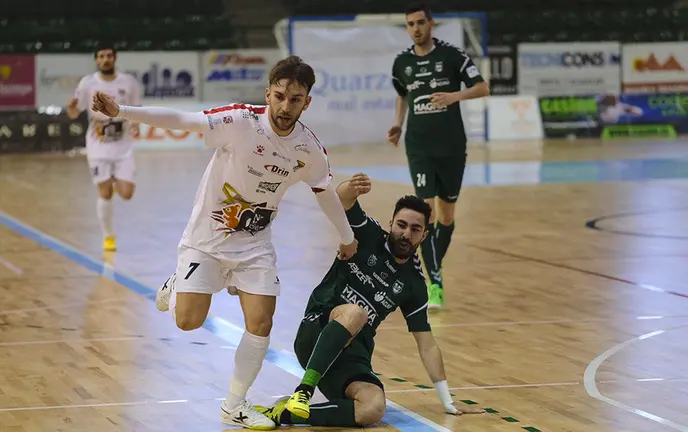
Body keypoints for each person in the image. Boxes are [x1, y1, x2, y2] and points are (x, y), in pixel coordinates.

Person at [91, 55, 359, 430]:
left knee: (261, 322)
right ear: (268, 93)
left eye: (295, 99)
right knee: (187, 321)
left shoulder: (309, 149)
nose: (285, 106)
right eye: (279, 96)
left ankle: (234, 404)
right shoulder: (240, 121)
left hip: (255, 245)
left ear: (306, 102)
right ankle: (179, 276)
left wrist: (347, 237)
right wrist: (123, 110)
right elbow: (182, 120)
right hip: (207, 240)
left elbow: (324, 191)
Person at [253, 172, 484, 427]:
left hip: (353, 354)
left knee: (373, 408)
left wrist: (446, 400)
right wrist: (351, 187)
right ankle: (303, 392)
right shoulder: (369, 234)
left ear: (424, 236)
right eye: (401, 225)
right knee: (357, 313)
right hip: (317, 330)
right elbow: (340, 200)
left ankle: (286, 412)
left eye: (415, 229)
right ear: (392, 223)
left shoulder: (414, 284)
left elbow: (427, 344)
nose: (406, 233)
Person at [388, 2, 490, 309]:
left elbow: (483, 87)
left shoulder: (452, 56)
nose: (416, 28)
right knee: (426, 214)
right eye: (410, 24)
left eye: (420, 22)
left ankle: (431, 267)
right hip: (419, 147)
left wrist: (454, 95)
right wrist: (397, 125)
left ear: (431, 23)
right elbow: (403, 95)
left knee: (447, 217)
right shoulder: (402, 62)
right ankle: (435, 284)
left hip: (451, 147)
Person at [66, 45, 141, 252]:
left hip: (123, 145)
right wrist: (71, 107)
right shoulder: (88, 83)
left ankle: (116, 178)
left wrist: (135, 123)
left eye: (109, 56)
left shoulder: (128, 82)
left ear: (115, 58)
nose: (105, 59)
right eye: (101, 56)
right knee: (105, 193)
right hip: (98, 145)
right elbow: (74, 112)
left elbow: (136, 109)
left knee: (126, 193)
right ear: (96, 60)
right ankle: (108, 237)